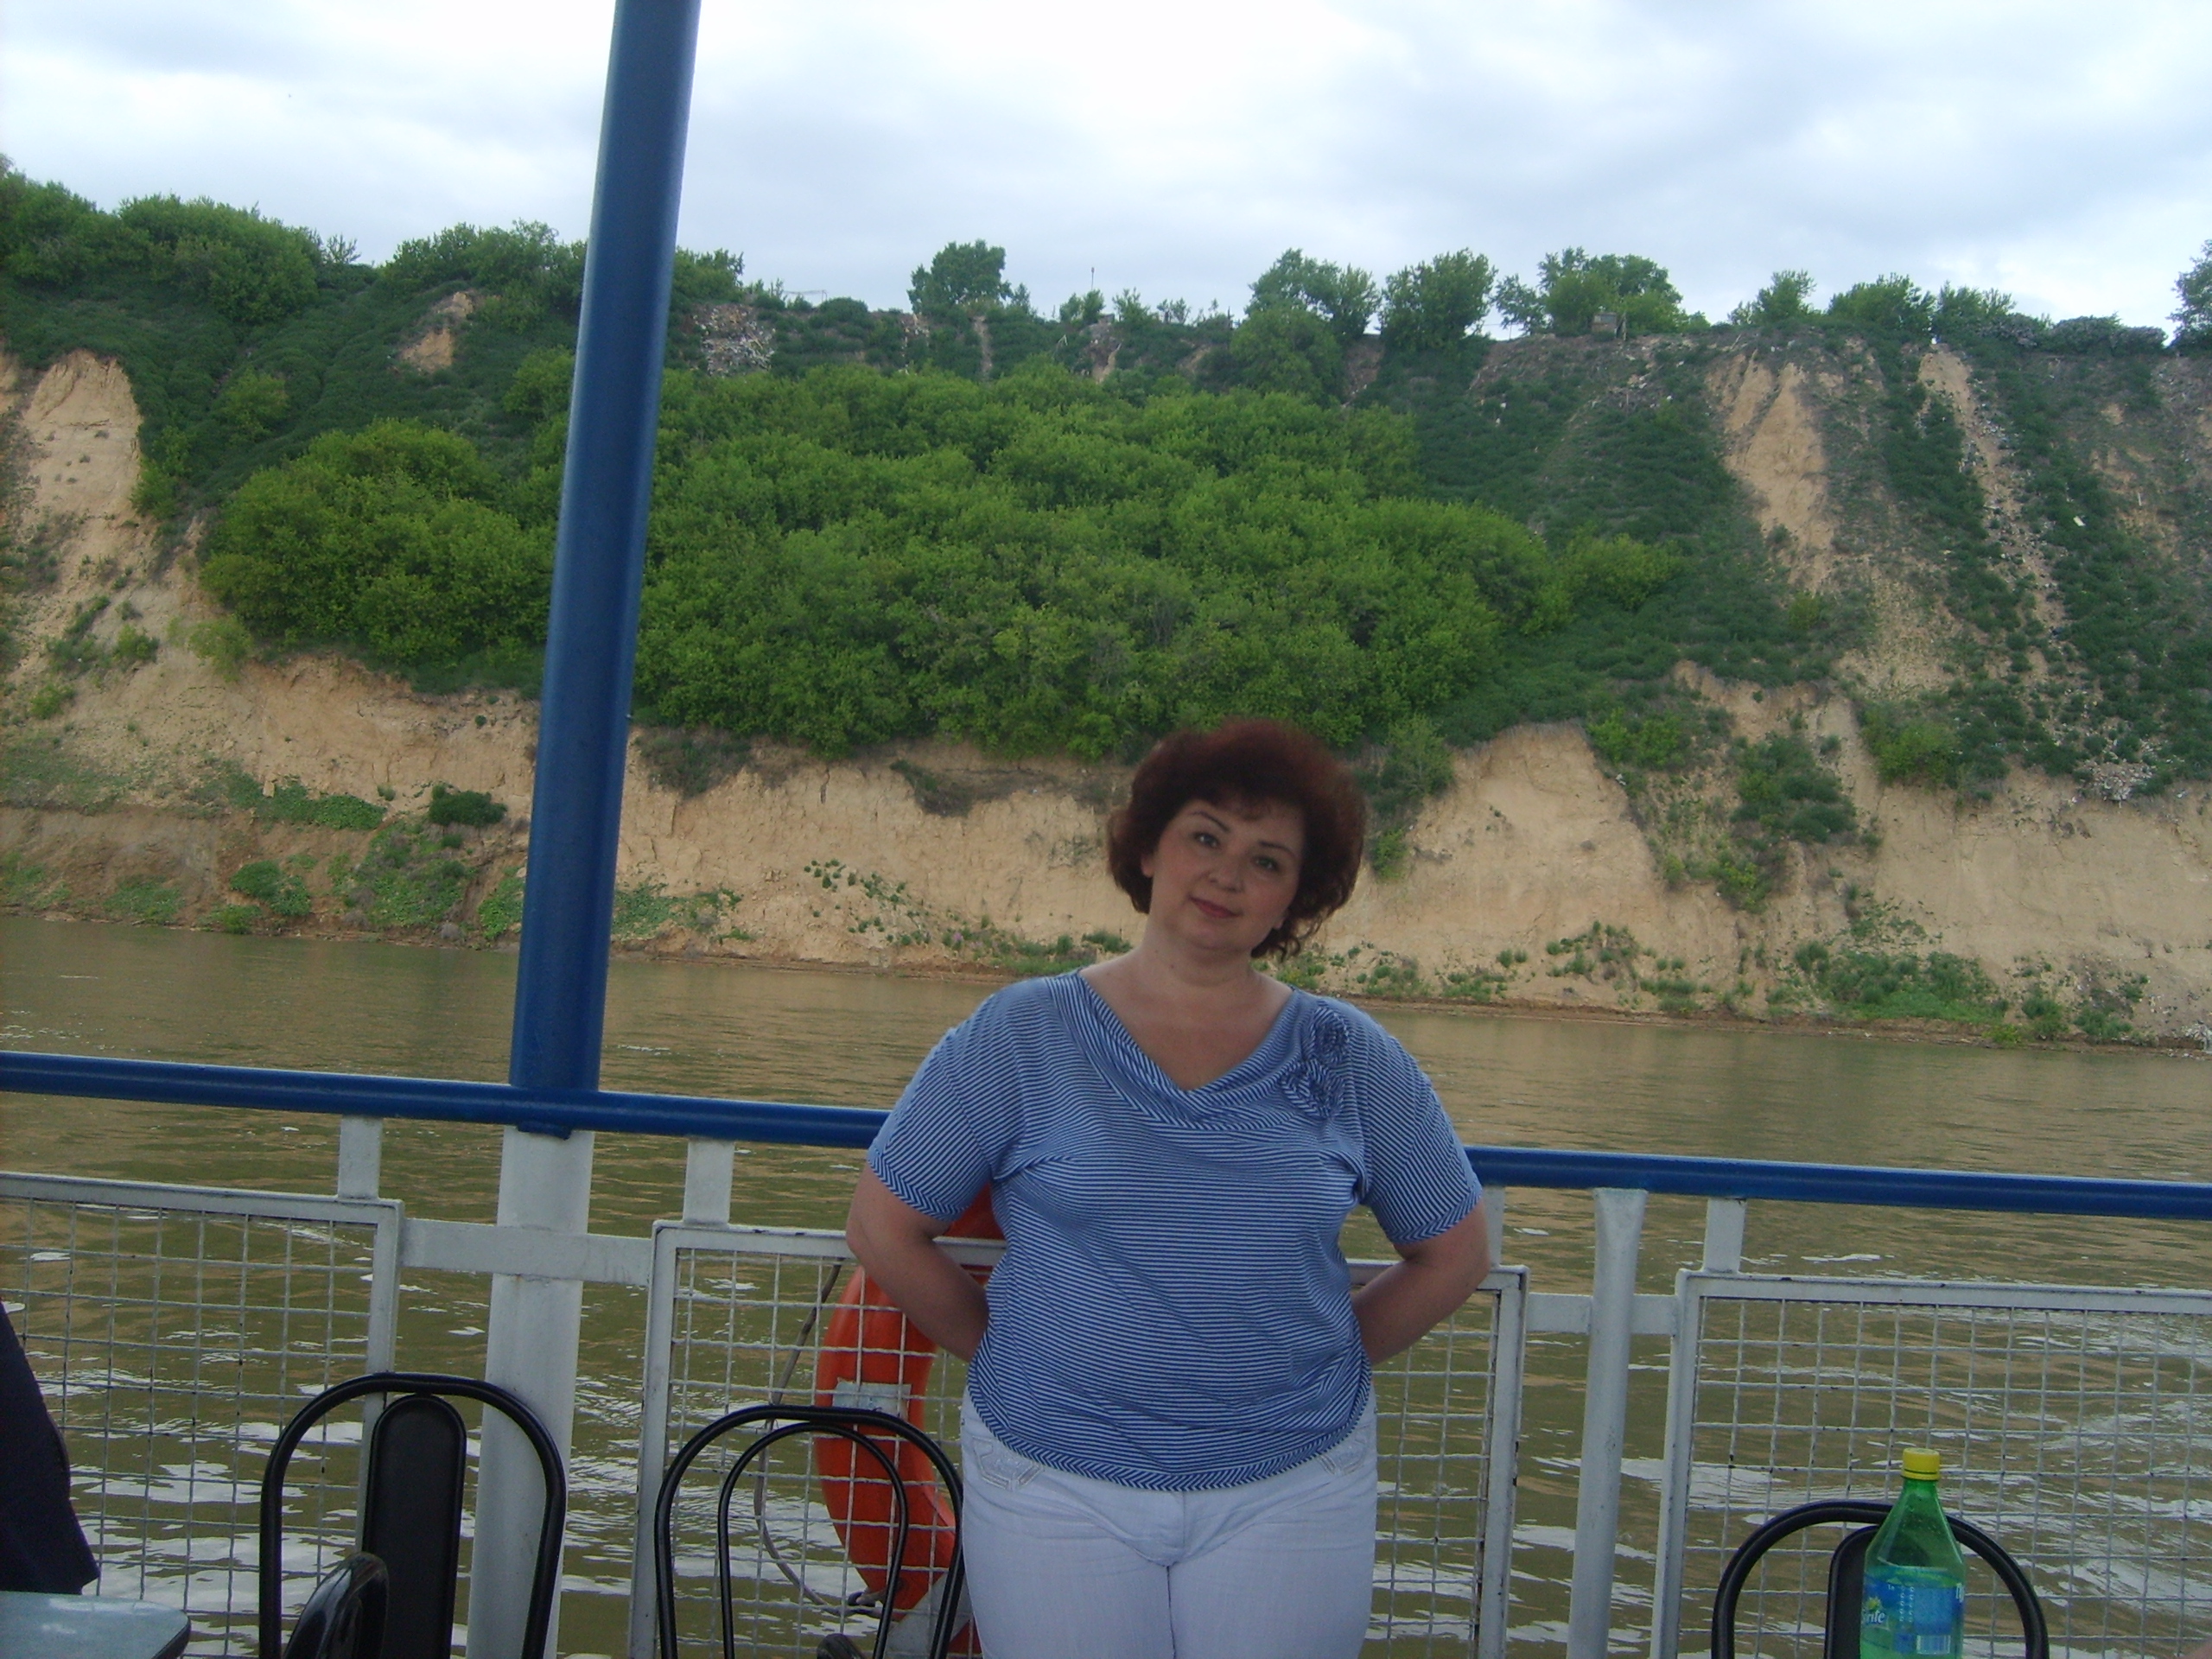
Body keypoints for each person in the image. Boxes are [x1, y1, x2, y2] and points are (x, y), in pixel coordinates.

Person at [847, 718, 1491, 1659]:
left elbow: (1455, 1253)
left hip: (1292, 1486)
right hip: (1052, 1483)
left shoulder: (1349, 1056)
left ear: (1293, 899)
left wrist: (1323, 1360)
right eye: (1205, 837)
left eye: (1266, 861)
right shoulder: (1020, 1034)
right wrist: (1006, 1348)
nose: (1227, 875)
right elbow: (882, 1226)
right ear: (1148, 848)